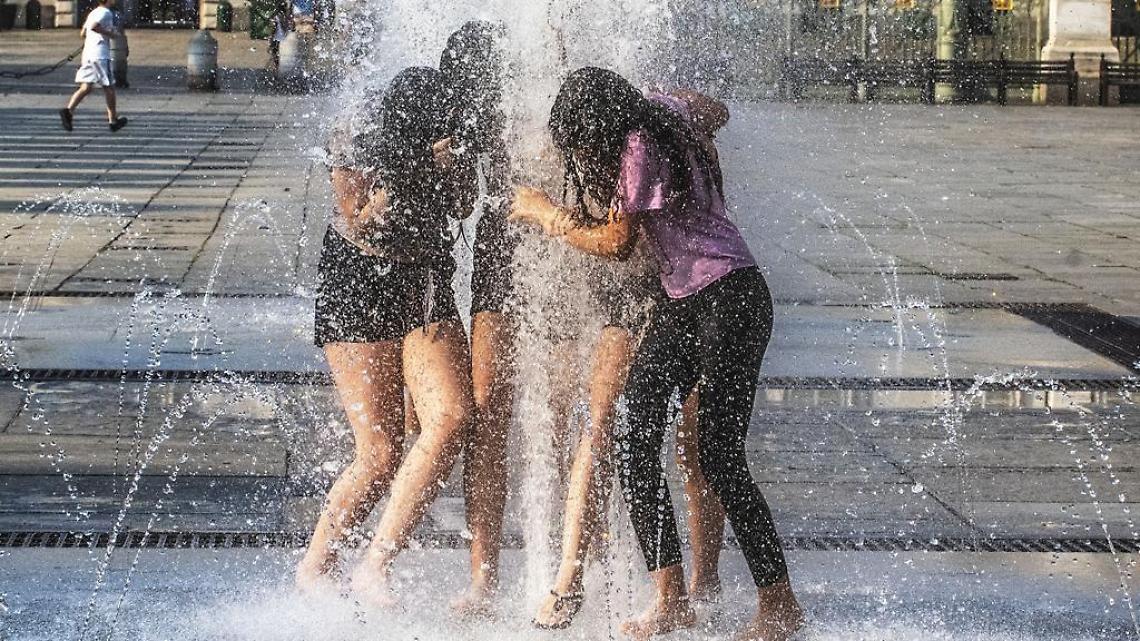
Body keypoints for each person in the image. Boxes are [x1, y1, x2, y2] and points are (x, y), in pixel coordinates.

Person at [511, 67, 804, 641]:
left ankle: (780, 605)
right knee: (631, 430)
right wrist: (675, 109)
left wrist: (545, 213)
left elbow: (617, 245)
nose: (584, 154)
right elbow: (716, 109)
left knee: (720, 456)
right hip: (686, 300)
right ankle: (669, 598)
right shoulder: (660, 108)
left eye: (585, 142)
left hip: (729, 298)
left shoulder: (637, 146)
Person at [296, 68, 475, 604]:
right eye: (437, 129)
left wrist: (451, 168)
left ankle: (376, 563)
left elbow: (462, 206)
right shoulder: (357, 131)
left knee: (453, 415)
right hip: (359, 281)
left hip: (421, 279)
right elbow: (358, 220)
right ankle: (317, 565)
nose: (448, 134)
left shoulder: (449, 130)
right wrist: (408, 173)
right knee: (379, 452)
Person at [434, 21, 518, 617]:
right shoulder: (470, 111)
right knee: (487, 412)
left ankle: (584, 561)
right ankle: (483, 577)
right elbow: (463, 201)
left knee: (575, 410)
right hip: (501, 252)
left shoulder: (556, 93)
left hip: (566, 245)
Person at [60, 0, 127, 133]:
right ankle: (113, 120)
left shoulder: (93, 12)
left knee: (86, 87)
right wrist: (111, 34)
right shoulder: (106, 12)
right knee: (109, 87)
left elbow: (83, 33)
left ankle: (68, 111)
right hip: (100, 55)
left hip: (88, 54)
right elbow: (95, 27)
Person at [269, 1, 291, 71]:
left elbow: (274, 28)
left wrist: (271, 37)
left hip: (278, 35)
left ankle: (275, 64)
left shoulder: (277, 16)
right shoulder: (284, 15)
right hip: (282, 35)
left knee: (274, 49)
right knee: (275, 48)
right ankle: (276, 63)